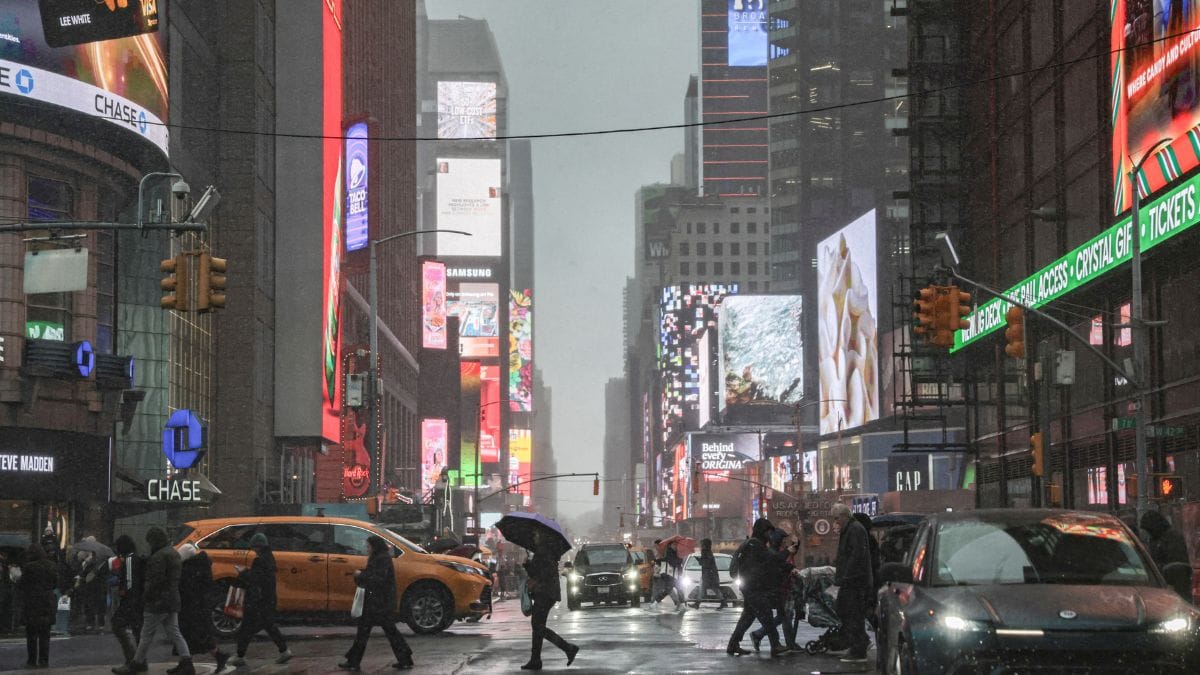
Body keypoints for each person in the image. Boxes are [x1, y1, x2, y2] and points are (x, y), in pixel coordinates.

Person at [114, 527, 193, 675]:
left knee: (146, 636)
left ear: (154, 541)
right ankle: (187, 661)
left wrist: (146, 596)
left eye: (150, 541)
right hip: (172, 599)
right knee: (175, 632)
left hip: (157, 602)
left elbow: (154, 581)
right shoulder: (173, 553)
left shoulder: (158, 557)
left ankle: (136, 664)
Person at [337, 536, 414, 671]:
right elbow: (375, 575)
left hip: (378, 603)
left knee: (367, 631)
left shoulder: (381, 558)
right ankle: (405, 658)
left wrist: (360, 575)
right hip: (378, 602)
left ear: (374, 546)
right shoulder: (380, 557)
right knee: (380, 631)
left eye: (368, 547)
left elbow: (378, 578)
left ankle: (354, 661)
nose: (367, 549)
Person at [726, 518, 790, 658]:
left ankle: (733, 644)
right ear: (762, 531)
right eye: (768, 531)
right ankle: (775, 645)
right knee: (766, 615)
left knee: (747, 617)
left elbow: (769, 563)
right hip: (754, 587)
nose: (770, 535)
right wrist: (787, 552)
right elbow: (771, 561)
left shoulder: (755, 544)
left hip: (751, 586)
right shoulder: (755, 545)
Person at [228, 533, 291, 668]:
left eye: (254, 547)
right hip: (267, 599)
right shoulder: (270, 558)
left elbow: (255, 579)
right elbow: (263, 577)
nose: (253, 550)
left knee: (247, 628)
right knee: (268, 626)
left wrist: (243, 572)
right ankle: (284, 650)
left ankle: (240, 656)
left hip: (257, 600)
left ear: (258, 546)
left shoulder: (259, 560)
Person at [521, 531, 579, 671]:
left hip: (544, 594)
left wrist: (527, 564)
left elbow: (538, 573)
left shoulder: (542, 552)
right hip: (547, 593)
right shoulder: (547, 551)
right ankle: (536, 660)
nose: (534, 537)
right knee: (537, 627)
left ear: (541, 536)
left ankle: (568, 648)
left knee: (538, 626)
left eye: (536, 535)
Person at [178, 544, 230, 674]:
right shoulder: (201, 565)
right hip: (198, 605)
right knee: (193, 635)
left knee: (195, 635)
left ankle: (217, 657)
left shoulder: (191, 568)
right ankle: (186, 663)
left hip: (193, 606)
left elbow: (188, 587)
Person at [831, 503, 872, 664]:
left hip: (855, 582)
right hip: (851, 580)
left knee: (851, 613)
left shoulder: (854, 530)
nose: (835, 522)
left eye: (836, 518)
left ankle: (858, 649)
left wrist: (846, 576)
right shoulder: (850, 529)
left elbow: (856, 556)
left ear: (843, 516)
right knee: (847, 612)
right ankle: (860, 643)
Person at [751, 529, 798, 652]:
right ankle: (787, 642)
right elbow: (778, 566)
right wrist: (790, 568)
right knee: (785, 616)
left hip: (783, 587)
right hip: (779, 588)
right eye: (783, 539)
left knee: (784, 616)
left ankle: (760, 634)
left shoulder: (781, 551)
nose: (785, 542)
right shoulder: (775, 553)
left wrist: (796, 543)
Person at [16, 544, 57, 668]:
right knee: (45, 634)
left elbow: (22, 585)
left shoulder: (29, 567)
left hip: (32, 602)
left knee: (32, 634)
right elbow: (55, 583)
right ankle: (44, 661)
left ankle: (32, 661)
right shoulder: (51, 566)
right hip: (47, 602)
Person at [109, 535, 145, 667]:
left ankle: (131, 659)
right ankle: (140, 660)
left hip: (130, 601)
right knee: (138, 631)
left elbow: (129, 582)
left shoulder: (129, 560)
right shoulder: (136, 558)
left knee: (117, 625)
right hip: (137, 601)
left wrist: (124, 592)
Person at [1140, 510, 1192, 598]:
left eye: (1148, 530)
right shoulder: (1155, 539)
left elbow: (1176, 562)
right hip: (1166, 580)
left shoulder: (1171, 537)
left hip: (1176, 580)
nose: (1148, 533)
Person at [649, 540, 685, 611]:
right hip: (668, 574)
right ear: (670, 545)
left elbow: (678, 564)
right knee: (670, 590)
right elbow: (673, 562)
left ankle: (681, 605)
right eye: (674, 545)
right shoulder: (669, 552)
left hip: (674, 575)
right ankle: (655, 602)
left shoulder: (676, 553)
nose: (675, 546)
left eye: (676, 545)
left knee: (672, 589)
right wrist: (679, 560)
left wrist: (679, 561)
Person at [693, 538, 725, 609]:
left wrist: (700, 561)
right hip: (710, 574)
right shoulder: (708, 552)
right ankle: (697, 603)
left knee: (707, 588)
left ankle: (697, 603)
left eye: (702, 544)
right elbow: (707, 562)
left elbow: (706, 563)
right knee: (710, 589)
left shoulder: (705, 552)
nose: (701, 545)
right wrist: (700, 560)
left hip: (709, 575)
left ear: (705, 545)